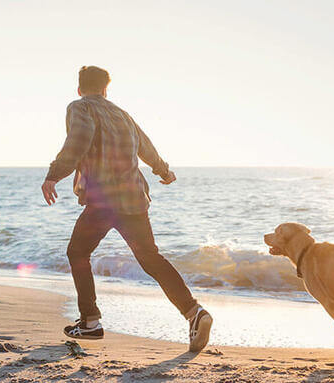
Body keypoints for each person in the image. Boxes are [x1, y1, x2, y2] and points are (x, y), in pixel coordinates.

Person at [41, 66, 212, 352]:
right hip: (134, 198)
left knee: (78, 252)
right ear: (106, 89)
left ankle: (90, 322)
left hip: (103, 199)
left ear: (80, 89)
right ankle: (194, 312)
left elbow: (79, 139)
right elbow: (145, 145)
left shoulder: (79, 107)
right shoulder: (122, 114)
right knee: (150, 258)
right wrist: (163, 170)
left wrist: (53, 174)